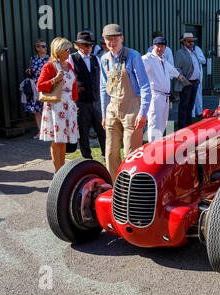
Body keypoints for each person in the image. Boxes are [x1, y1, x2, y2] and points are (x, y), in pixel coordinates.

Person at [100, 24, 152, 182]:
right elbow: (103, 88)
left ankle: (131, 186)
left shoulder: (133, 56)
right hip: (112, 109)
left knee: (131, 152)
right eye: (109, 40)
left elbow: (145, 86)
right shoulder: (104, 59)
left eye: (115, 39)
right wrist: (103, 114)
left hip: (132, 109)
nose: (112, 43)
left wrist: (142, 112)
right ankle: (114, 186)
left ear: (122, 38)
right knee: (110, 152)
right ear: (104, 40)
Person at [37, 37, 79, 173]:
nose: (69, 52)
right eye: (67, 49)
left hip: (69, 106)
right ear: (59, 50)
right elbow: (40, 86)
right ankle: (58, 172)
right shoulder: (49, 66)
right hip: (56, 106)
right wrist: (55, 79)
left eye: (70, 49)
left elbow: (72, 86)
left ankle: (62, 171)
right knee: (57, 140)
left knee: (64, 140)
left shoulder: (68, 65)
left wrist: (74, 102)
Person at [69, 31, 106, 160]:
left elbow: (102, 79)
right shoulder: (72, 59)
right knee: (83, 131)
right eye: (86, 45)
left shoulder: (96, 58)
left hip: (96, 100)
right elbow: (69, 80)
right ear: (78, 45)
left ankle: (105, 154)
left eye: (90, 45)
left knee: (102, 129)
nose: (89, 48)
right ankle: (87, 158)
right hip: (81, 101)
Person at [142, 37, 186, 142]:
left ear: (165, 47)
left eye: (162, 46)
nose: (160, 49)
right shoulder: (148, 59)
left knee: (163, 123)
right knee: (154, 123)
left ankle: (158, 145)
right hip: (155, 96)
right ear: (153, 46)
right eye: (158, 46)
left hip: (166, 96)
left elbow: (171, 69)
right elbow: (138, 69)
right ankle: (152, 147)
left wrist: (179, 76)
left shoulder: (163, 59)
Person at [174, 32, 201, 129]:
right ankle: (182, 127)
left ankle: (189, 126)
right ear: (183, 42)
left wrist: (197, 80)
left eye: (192, 41)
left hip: (194, 82)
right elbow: (177, 68)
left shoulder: (193, 52)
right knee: (184, 106)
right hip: (187, 83)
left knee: (190, 106)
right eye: (189, 41)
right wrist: (185, 81)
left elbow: (196, 66)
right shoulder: (180, 53)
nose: (191, 43)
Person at [24, 39, 50, 139]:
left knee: (46, 109)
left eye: (46, 46)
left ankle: (48, 131)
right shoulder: (33, 59)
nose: (45, 48)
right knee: (36, 110)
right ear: (37, 48)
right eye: (43, 46)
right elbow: (30, 70)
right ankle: (40, 131)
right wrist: (29, 70)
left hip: (45, 86)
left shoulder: (49, 59)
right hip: (35, 87)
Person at [191, 44, 206, 119]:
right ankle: (192, 114)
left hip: (197, 77)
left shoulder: (196, 49)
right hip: (189, 77)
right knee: (190, 96)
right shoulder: (183, 51)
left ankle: (199, 112)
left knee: (198, 95)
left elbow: (203, 61)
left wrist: (196, 56)